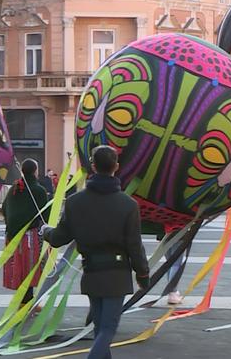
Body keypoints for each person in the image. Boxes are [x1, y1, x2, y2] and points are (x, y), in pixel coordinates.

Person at [43, 145, 149, 359]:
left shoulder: (74, 202)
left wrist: (46, 231)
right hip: (117, 274)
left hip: (91, 272)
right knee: (107, 330)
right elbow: (134, 245)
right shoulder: (128, 205)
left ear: (92, 166)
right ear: (116, 167)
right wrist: (143, 275)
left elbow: (59, 238)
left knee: (101, 329)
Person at [2, 159, 50, 306]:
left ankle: (25, 299)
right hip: (30, 235)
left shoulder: (14, 189)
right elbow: (45, 215)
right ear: (35, 171)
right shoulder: (38, 190)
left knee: (20, 267)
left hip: (13, 234)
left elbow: (5, 208)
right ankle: (27, 301)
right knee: (29, 267)